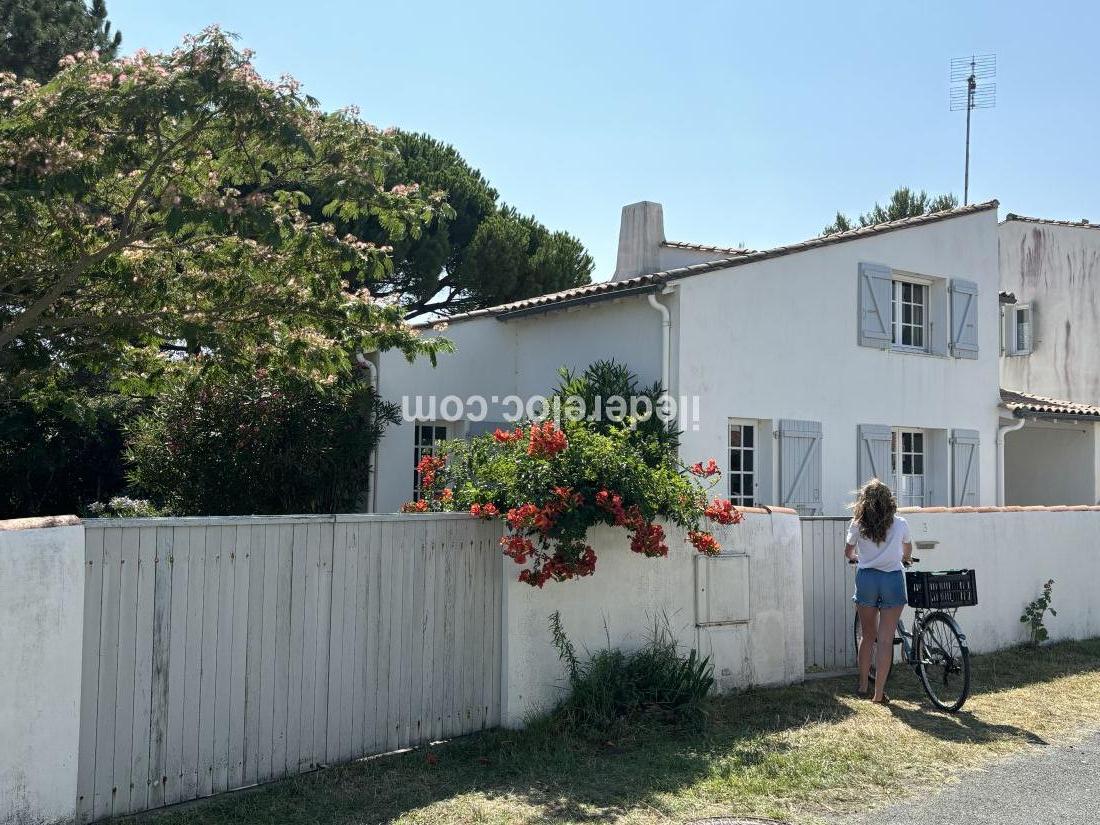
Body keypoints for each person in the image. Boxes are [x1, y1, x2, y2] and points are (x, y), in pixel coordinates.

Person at [844, 478, 912, 704]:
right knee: (885, 639)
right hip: (892, 579)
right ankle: (879, 693)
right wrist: (904, 558)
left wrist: (857, 558)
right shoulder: (900, 523)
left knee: (867, 635)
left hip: (867, 579)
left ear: (864, 502)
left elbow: (848, 552)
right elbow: (907, 550)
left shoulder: (857, 524)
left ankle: (863, 685)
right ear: (889, 501)